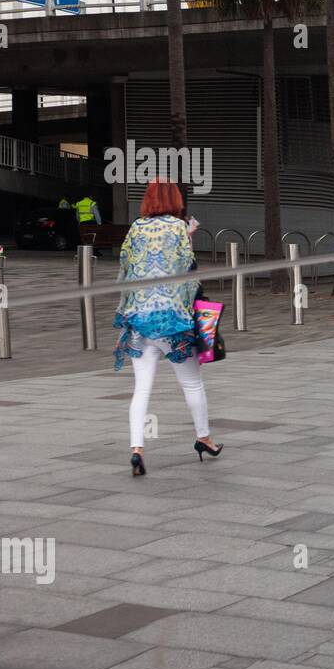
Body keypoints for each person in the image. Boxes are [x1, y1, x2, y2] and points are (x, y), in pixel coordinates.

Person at [113, 179, 223, 477]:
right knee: (192, 383)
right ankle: (203, 438)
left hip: (139, 321)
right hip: (172, 321)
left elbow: (125, 268)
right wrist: (189, 236)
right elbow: (186, 270)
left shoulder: (136, 227)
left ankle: (137, 449)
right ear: (175, 200)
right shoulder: (178, 228)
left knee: (141, 388)